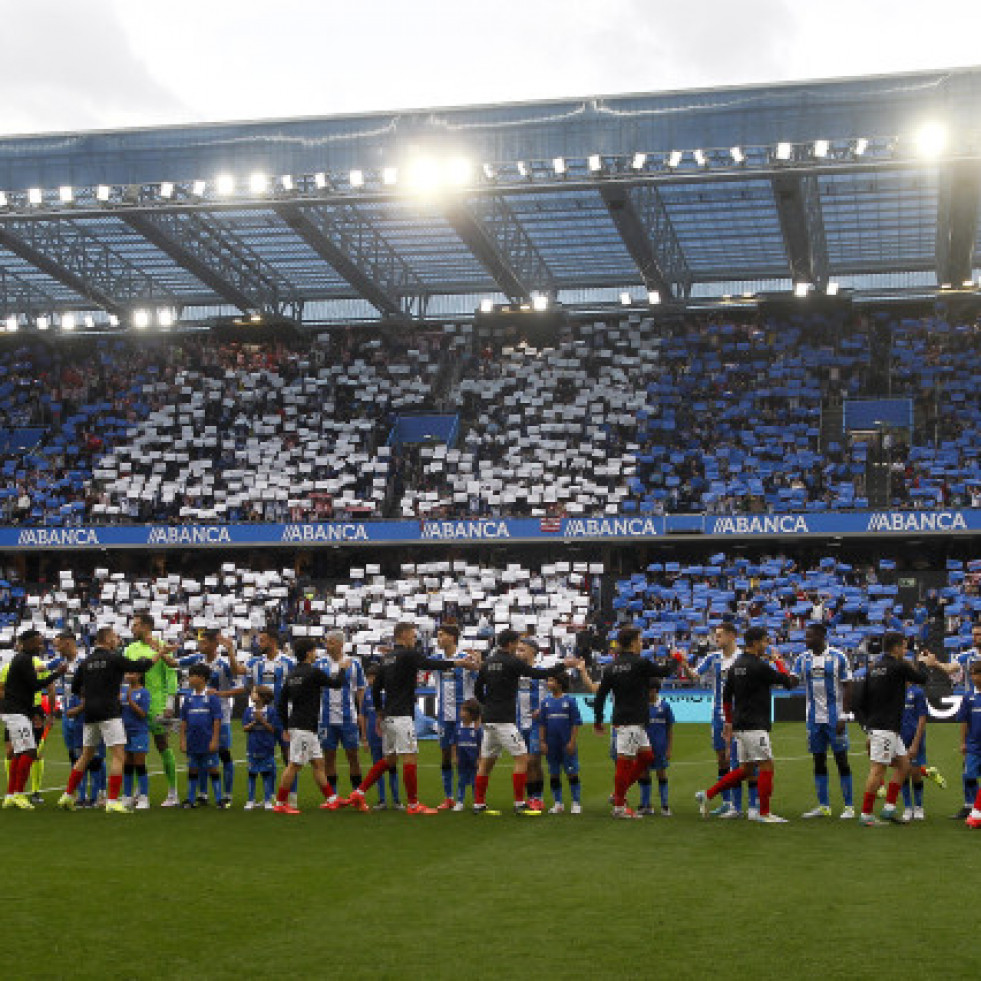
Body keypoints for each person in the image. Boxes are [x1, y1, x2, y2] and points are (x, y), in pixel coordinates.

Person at [347, 622, 476, 815]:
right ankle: (413, 804)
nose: (415, 639)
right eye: (413, 635)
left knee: (389, 759)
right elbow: (430, 664)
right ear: (404, 635)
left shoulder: (387, 658)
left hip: (388, 715)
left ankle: (359, 792)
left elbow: (375, 688)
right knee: (409, 756)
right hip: (402, 715)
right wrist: (459, 663)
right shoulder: (409, 654)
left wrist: (380, 713)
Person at [695, 626, 799, 824]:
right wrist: (779, 662)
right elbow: (789, 682)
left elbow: (726, 698)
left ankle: (708, 794)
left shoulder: (736, 666)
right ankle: (764, 812)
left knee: (746, 770)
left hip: (740, 725)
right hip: (755, 724)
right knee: (767, 765)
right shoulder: (759, 666)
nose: (767, 645)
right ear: (756, 643)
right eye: (765, 641)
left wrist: (729, 723)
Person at [58, 626, 162, 813]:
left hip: (90, 713)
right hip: (109, 712)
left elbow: (75, 687)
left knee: (85, 755)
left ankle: (67, 794)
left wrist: (91, 694)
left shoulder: (87, 661)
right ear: (107, 639)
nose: (117, 640)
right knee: (118, 754)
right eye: (114, 637)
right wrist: (159, 653)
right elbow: (141, 666)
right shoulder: (114, 658)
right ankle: (113, 800)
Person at [473, 631, 569, 816]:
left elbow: (478, 690)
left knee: (486, 762)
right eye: (517, 644)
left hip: (489, 719)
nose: (517, 648)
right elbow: (537, 673)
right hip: (504, 720)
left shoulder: (489, 662)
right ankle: (519, 802)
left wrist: (488, 704)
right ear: (510, 644)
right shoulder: (511, 662)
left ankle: (479, 803)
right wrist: (563, 665)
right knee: (522, 758)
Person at [594, 625, 684, 819]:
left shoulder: (611, 667)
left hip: (626, 720)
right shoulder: (640, 663)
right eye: (640, 640)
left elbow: (600, 695)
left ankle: (617, 794)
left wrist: (598, 720)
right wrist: (676, 659)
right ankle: (619, 806)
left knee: (646, 758)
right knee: (625, 762)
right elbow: (664, 671)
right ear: (634, 642)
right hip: (632, 721)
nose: (642, 643)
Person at [854, 632, 938, 827]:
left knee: (904, 765)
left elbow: (859, 701)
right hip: (886, 728)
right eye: (904, 646)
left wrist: (868, 725)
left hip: (884, 727)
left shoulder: (873, 669)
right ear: (896, 647)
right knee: (877, 769)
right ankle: (866, 814)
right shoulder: (898, 666)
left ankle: (889, 808)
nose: (906, 650)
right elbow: (921, 678)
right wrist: (926, 662)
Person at [274, 637, 351, 814]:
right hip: (304, 726)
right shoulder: (313, 672)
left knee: (318, 763)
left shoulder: (292, 675)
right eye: (315, 650)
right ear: (309, 653)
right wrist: (342, 669)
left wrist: (286, 726)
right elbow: (336, 684)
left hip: (300, 724)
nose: (317, 653)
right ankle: (280, 803)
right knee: (294, 764)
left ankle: (331, 799)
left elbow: (281, 703)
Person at [0, 630, 66, 810]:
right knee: (30, 752)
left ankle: (11, 794)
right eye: (38, 643)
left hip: (16, 711)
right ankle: (19, 793)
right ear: (28, 643)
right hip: (16, 712)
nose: (41, 646)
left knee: (20, 753)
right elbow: (36, 685)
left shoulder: (20, 659)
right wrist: (57, 673)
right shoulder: (24, 660)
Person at [795, 623, 855, 820]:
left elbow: (848, 686)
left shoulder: (838, 657)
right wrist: (776, 663)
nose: (806, 640)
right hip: (813, 719)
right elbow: (792, 681)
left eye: (809, 636)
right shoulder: (802, 660)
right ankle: (824, 806)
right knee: (818, 761)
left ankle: (849, 806)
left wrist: (844, 715)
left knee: (841, 760)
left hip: (834, 717)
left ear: (821, 636)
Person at [185, 630, 246, 806]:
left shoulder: (224, 665)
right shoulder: (198, 662)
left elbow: (241, 688)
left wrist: (219, 693)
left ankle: (227, 794)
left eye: (204, 642)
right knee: (202, 753)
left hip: (222, 717)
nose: (200, 645)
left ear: (214, 644)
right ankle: (203, 794)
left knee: (224, 754)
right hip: (202, 718)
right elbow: (175, 662)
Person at [125, 613, 180, 807]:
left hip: (157, 705)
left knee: (162, 745)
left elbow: (171, 675)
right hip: (135, 705)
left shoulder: (161, 645)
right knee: (134, 750)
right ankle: (138, 792)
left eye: (136, 625)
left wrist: (170, 704)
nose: (133, 628)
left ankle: (173, 792)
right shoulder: (130, 649)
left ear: (147, 626)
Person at [693, 623, 747, 819]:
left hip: (737, 717)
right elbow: (694, 675)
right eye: (715, 636)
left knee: (736, 761)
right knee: (722, 759)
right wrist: (682, 662)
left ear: (732, 636)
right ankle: (726, 802)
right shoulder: (713, 658)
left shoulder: (742, 659)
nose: (716, 639)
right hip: (717, 716)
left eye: (720, 635)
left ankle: (737, 806)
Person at [246, 628, 297, 807]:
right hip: (261, 714)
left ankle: (292, 797)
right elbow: (240, 673)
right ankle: (271, 796)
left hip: (282, 715)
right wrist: (229, 650)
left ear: (273, 642)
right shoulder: (254, 663)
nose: (259, 644)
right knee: (266, 754)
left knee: (287, 755)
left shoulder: (289, 663)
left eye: (262, 640)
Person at [432, 624, 478, 811]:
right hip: (444, 715)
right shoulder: (435, 660)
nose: (439, 638)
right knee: (445, 755)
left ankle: (473, 797)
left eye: (441, 635)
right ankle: (449, 797)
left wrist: (476, 663)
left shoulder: (465, 658)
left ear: (452, 638)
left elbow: (477, 677)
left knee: (468, 756)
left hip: (464, 716)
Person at [314, 630, 365, 798]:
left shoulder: (354, 663)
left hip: (348, 717)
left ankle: (357, 795)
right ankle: (333, 797)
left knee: (353, 756)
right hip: (326, 718)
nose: (327, 646)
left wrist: (360, 712)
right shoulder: (320, 664)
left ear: (340, 644)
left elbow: (360, 690)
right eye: (326, 643)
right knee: (329, 757)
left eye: (330, 643)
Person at [180, 663, 224, 809]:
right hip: (192, 740)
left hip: (208, 740)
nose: (189, 679)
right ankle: (190, 799)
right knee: (192, 768)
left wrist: (215, 739)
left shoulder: (211, 697)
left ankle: (219, 798)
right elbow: (184, 720)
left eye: (191, 676)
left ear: (201, 678)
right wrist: (182, 740)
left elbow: (217, 720)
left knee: (212, 768)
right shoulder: (187, 698)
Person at [538, 672, 582, 815]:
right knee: (554, 773)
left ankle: (576, 802)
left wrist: (572, 742)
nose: (548, 683)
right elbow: (542, 724)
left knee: (572, 773)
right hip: (551, 744)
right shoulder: (545, 702)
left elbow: (576, 723)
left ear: (559, 683)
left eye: (551, 680)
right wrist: (542, 742)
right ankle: (558, 803)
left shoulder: (570, 701)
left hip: (566, 743)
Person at [361, 662, 401, 810]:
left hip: (388, 736)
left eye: (373, 677)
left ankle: (396, 800)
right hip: (373, 737)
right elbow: (364, 716)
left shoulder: (389, 692)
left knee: (392, 767)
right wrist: (364, 737)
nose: (371, 680)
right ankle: (382, 800)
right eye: (369, 677)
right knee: (377, 769)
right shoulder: (366, 693)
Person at [515, 637, 547, 811]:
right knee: (525, 761)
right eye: (517, 650)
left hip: (536, 724)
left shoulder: (541, 672)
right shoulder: (515, 672)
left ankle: (538, 797)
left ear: (533, 652)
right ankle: (530, 797)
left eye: (522, 650)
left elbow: (552, 692)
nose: (518, 653)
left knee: (535, 760)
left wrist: (543, 710)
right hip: (519, 723)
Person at [639, 680, 674, 817]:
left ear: (655, 690)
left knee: (661, 773)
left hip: (660, 747)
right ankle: (645, 804)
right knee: (644, 773)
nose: (648, 692)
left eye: (650, 690)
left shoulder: (664, 706)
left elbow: (670, 729)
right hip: (644, 747)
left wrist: (669, 749)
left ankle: (665, 805)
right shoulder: (641, 706)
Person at [242, 686, 280, 810]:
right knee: (252, 774)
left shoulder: (271, 711)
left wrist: (262, 720)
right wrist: (254, 722)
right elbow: (244, 728)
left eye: (254, 692)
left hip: (267, 748)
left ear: (263, 697)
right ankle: (250, 800)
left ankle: (267, 800)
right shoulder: (248, 711)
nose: (252, 694)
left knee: (266, 774)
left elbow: (273, 729)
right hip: (253, 747)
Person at [121, 672, 151, 809]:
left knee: (139, 764)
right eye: (127, 673)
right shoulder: (122, 690)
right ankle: (127, 796)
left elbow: (143, 713)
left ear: (139, 675)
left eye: (131, 673)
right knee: (127, 764)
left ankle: (143, 797)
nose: (128, 675)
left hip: (139, 731)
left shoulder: (144, 693)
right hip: (124, 731)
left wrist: (130, 701)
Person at [899, 677, 928, 821]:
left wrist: (916, 743)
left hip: (915, 739)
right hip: (899, 739)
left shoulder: (917, 692)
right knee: (902, 773)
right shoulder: (895, 692)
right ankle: (907, 807)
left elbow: (922, 718)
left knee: (916, 772)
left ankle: (919, 806)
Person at [959, 663, 981, 828]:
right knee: (969, 776)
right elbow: (964, 721)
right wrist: (962, 742)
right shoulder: (968, 697)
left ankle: (976, 811)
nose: (973, 678)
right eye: (972, 674)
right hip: (973, 745)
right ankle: (975, 806)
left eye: (976, 674)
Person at [453, 699, 482, 811]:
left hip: (474, 760)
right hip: (462, 760)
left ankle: (477, 801)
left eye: (464, 710)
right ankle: (460, 802)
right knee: (461, 781)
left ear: (471, 714)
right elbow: (454, 744)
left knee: (475, 782)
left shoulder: (477, 729)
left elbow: (481, 745)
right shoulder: (458, 727)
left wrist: (480, 759)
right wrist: (455, 757)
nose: (461, 713)